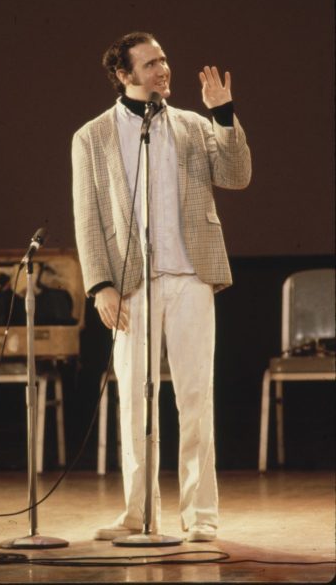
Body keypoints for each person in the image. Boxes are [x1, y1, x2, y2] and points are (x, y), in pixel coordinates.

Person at [71, 31, 251, 542]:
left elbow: (237, 176)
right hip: (131, 285)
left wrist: (223, 113)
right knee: (135, 398)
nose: (163, 70)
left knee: (196, 396)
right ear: (124, 75)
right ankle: (137, 514)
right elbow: (87, 218)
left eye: (164, 60)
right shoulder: (93, 137)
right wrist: (101, 284)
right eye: (150, 64)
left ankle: (201, 515)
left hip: (192, 276)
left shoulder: (194, 126)